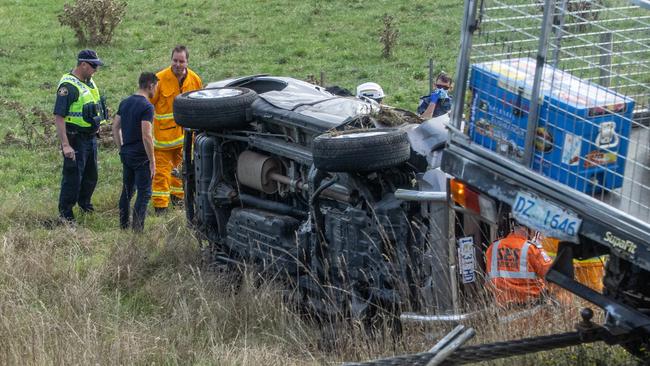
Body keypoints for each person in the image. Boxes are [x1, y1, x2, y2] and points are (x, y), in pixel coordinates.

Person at [53, 49, 108, 222]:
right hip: (74, 138)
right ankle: (66, 214)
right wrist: (65, 145)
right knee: (73, 178)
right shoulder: (68, 87)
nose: (96, 70)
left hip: (90, 137)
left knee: (91, 176)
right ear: (83, 64)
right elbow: (58, 117)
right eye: (93, 66)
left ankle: (85, 205)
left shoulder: (89, 81)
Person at [149, 45, 203, 214]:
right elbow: (148, 107)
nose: (178, 64)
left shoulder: (194, 79)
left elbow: (200, 106)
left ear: (187, 62)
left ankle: (179, 203)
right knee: (161, 175)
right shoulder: (159, 79)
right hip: (163, 141)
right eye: (175, 60)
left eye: (181, 61)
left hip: (185, 140)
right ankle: (160, 208)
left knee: (181, 173)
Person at [112, 72, 158, 231]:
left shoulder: (125, 102)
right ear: (151, 85)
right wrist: (152, 160)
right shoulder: (147, 106)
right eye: (156, 87)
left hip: (127, 154)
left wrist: (121, 148)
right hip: (140, 156)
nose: (155, 91)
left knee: (127, 191)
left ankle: (123, 226)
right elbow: (146, 135)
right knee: (144, 193)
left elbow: (115, 127)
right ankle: (137, 230)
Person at [485, 223, 554, 307]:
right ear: (528, 229)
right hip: (530, 304)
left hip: (501, 305)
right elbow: (551, 274)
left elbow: (488, 280)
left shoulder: (492, 247)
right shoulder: (531, 248)